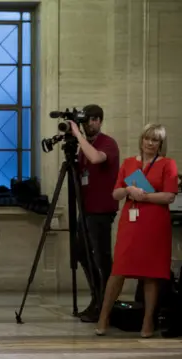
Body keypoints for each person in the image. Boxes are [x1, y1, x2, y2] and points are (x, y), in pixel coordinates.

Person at [95, 124, 178, 337]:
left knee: (151, 274)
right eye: (147, 139)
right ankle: (103, 317)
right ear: (141, 140)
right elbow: (115, 194)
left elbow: (169, 196)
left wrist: (144, 196)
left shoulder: (168, 164)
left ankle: (148, 322)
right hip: (131, 222)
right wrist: (128, 190)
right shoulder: (129, 163)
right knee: (118, 271)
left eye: (155, 140)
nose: (150, 143)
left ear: (161, 144)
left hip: (155, 223)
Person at [70, 104, 120, 323]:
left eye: (92, 120)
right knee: (81, 252)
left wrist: (78, 136)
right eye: (85, 120)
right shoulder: (84, 146)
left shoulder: (107, 143)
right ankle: (96, 297)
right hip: (86, 209)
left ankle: (104, 303)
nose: (88, 124)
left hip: (101, 210)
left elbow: (97, 159)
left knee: (101, 258)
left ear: (99, 121)